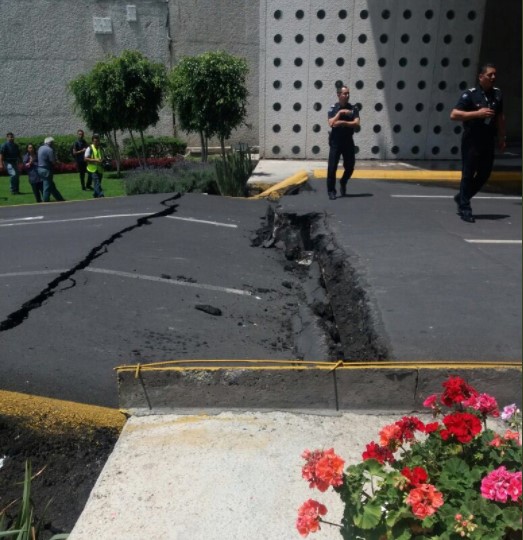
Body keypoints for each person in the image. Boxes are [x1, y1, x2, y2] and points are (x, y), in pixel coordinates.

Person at [450, 63, 506, 223]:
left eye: (495, 74)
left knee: (485, 174)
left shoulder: (497, 94)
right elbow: (454, 115)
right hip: (472, 139)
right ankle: (465, 208)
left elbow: (501, 117)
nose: (493, 77)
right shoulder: (470, 95)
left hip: (488, 139)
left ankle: (462, 196)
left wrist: (502, 137)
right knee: (468, 174)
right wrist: (477, 113)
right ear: (481, 77)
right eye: (490, 75)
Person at [326, 85, 360, 200]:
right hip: (335, 141)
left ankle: (343, 181)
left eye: (348, 93)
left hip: (348, 141)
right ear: (339, 95)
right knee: (332, 168)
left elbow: (356, 123)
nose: (347, 95)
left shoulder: (353, 108)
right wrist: (340, 113)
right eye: (345, 93)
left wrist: (342, 123)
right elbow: (331, 123)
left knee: (350, 167)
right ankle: (331, 191)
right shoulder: (333, 108)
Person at [37, 137, 65, 202]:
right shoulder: (49, 150)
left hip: (40, 169)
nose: (53, 144)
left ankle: (59, 198)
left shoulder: (40, 148)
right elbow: (53, 161)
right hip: (46, 170)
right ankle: (46, 200)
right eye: (52, 143)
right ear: (50, 143)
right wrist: (59, 163)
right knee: (47, 187)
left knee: (51, 186)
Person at [84, 134, 105, 198]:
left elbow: (102, 157)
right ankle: (101, 194)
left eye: (97, 141)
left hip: (99, 168)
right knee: (97, 181)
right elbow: (85, 159)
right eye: (95, 141)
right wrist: (95, 160)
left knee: (98, 183)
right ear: (92, 141)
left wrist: (102, 160)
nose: (96, 142)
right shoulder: (89, 148)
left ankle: (95, 195)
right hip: (92, 169)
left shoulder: (101, 148)